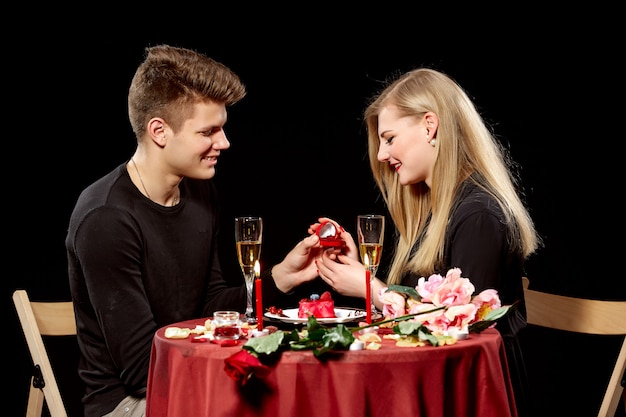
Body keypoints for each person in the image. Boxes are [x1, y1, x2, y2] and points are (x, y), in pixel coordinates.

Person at [65, 44, 330, 417]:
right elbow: (145, 371)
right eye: (209, 131)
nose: (223, 143)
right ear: (159, 131)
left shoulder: (201, 192)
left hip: (192, 379)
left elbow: (209, 305)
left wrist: (280, 278)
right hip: (132, 403)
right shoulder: (106, 219)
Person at [311, 68, 541, 417]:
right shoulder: (436, 210)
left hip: (478, 395)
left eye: (389, 138)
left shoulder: (479, 214)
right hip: (441, 383)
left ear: (430, 126)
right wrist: (361, 271)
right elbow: (423, 318)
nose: (381, 156)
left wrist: (368, 287)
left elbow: (459, 331)